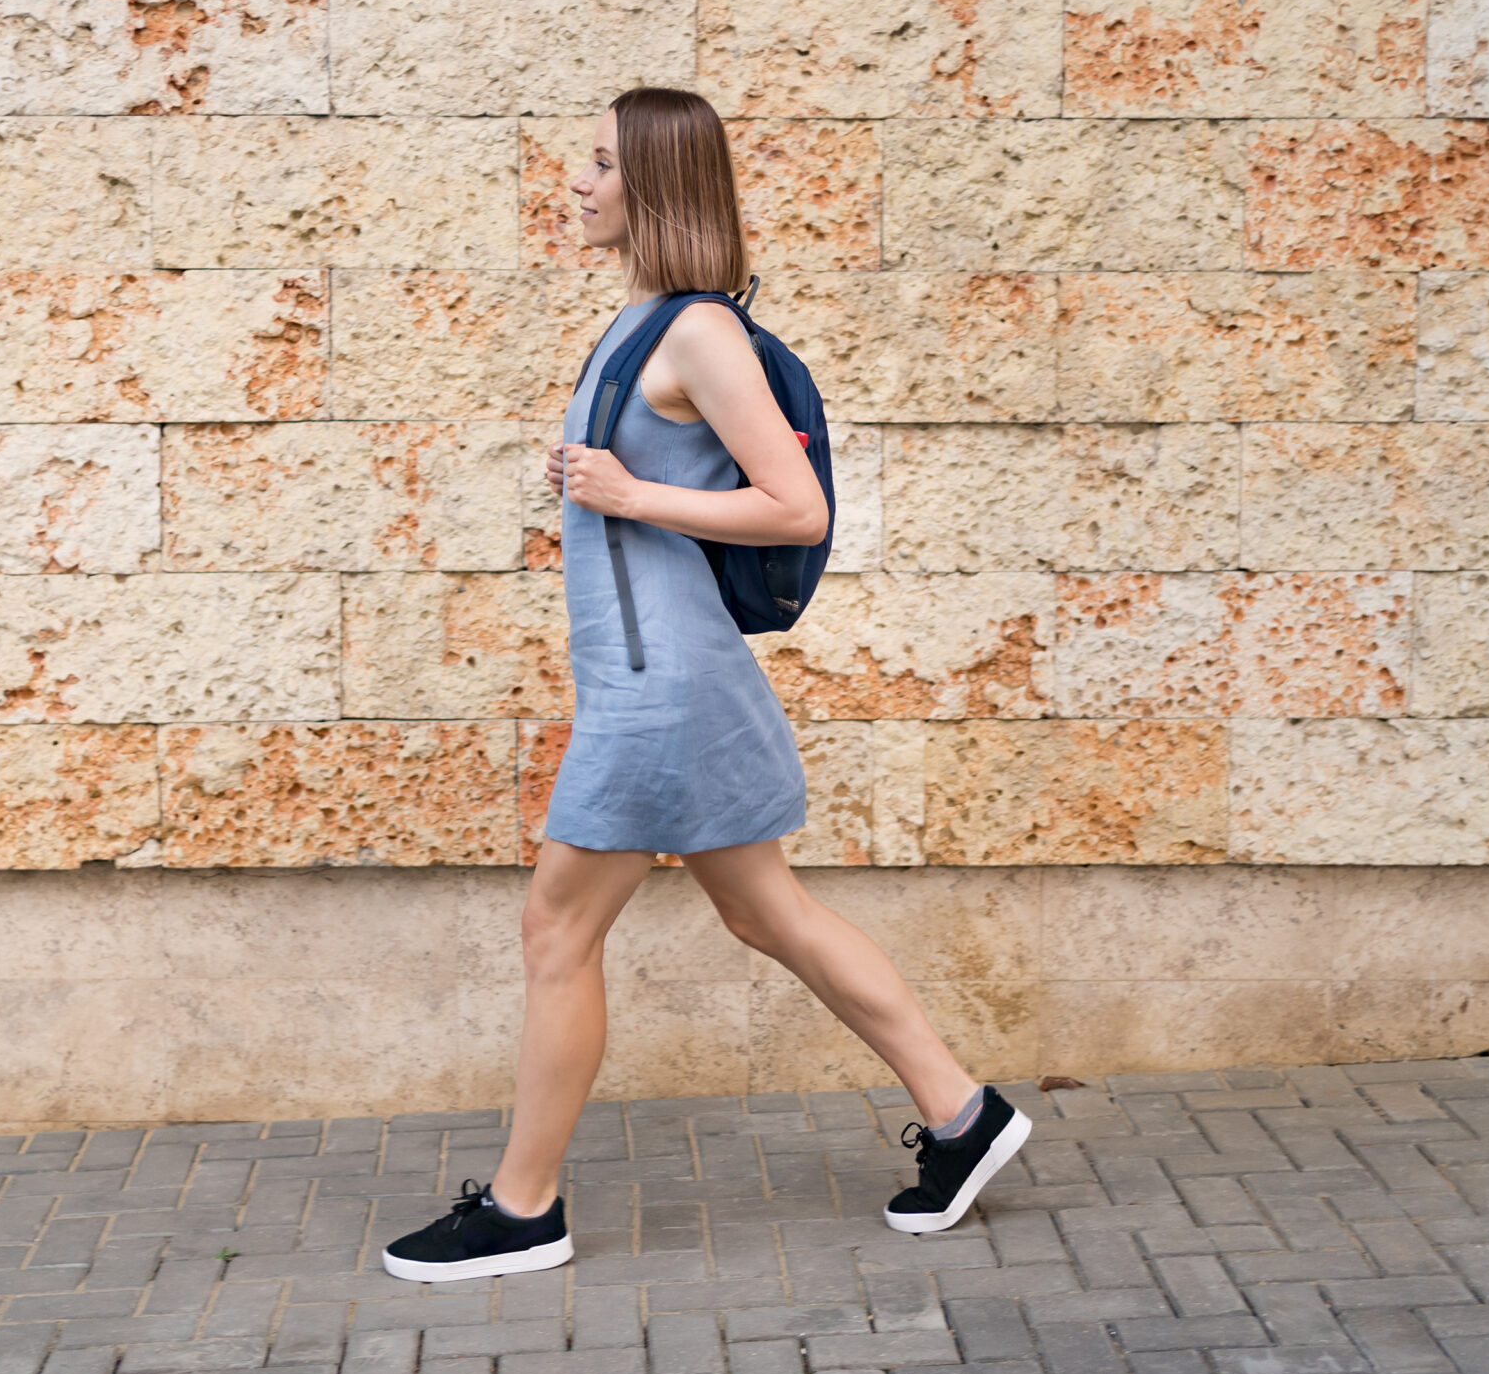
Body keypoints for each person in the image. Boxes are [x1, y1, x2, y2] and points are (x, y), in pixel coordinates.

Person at [378, 88, 1032, 1284]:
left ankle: (524, 1207)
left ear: (657, 188)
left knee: (555, 927)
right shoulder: (642, 324)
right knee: (764, 910)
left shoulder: (699, 334)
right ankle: (963, 1114)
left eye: (596, 163)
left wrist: (631, 494)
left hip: (660, 691)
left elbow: (796, 506)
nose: (574, 182)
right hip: (659, 677)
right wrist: (611, 483)